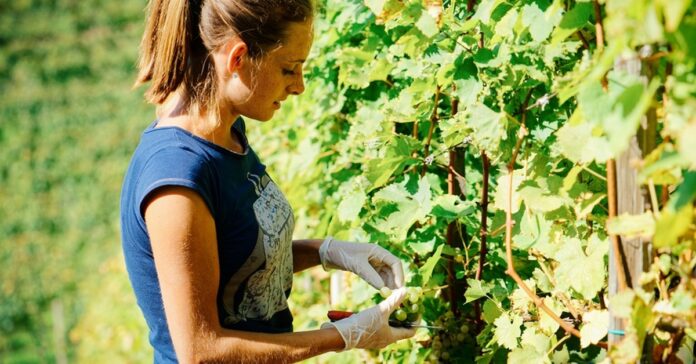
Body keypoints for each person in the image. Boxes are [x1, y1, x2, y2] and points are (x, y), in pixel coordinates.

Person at [119, 0, 416, 362]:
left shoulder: (229, 136)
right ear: (238, 58)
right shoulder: (177, 182)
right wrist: (343, 337)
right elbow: (201, 351)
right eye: (290, 69)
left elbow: (236, 262)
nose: (300, 87)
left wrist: (328, 252)